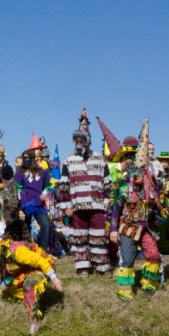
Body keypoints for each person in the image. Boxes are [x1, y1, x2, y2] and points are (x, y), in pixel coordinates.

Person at [110, 122, 164, 299]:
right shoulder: (124, 186)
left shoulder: (152, 184)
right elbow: (115, 209)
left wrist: (162, 202)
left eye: (143, 171)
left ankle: (150, 285)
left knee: (154, 255)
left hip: (147, 227)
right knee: (127, 259)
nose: (139, 176)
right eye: (136, 171)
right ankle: (125, 293)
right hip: (128, 227)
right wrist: (112, 230)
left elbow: (160, 205)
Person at [57, 109, 112, 277]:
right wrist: (66, 206)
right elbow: (64, 185)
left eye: (82, 140)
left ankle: (102, 266)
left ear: (88, 142)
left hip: (97, 206)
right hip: (77, 206)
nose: (79, 143)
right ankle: (83, 267)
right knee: (79, 237)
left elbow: (107, 183)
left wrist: (107, 202)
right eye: (77, 140)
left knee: (99, 236)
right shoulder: (69, 161)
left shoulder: (99, 159)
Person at [0, 219, 63, 335]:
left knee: (28, 285)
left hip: (41, 267)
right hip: (26, 267)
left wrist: (53, 277)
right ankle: (21, 298)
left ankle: (34, 319)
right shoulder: (3, 244)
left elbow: (40, 261)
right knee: (11, 283)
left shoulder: (20, 252)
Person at [15, 136, 52, 252]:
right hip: (25, 205)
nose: (25, 160)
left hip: (38, 204)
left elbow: (48, 185)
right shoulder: (20, 172)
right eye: (23, 158)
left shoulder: (42, 172)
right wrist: (19, 205)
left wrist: (45, 193)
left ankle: (44, 252)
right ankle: (24, 251)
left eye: (27, 158)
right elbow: (17, 187)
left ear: (32, 159)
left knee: (46, 226)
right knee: (25, 228)